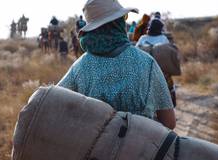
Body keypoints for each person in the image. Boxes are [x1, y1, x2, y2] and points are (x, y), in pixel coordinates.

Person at [58, 0, 175, 130]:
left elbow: (55, 104)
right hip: (139, 148)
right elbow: (169, 123)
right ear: (118, 23)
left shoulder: (79, 68)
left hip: (93, 148)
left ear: (91, 30)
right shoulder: (147, 63)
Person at [136, 19, 177, 107]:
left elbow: (136, 52)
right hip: (161, 71)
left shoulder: (143, 38)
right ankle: (171, 105)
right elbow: (168, 53)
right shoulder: (163, 38)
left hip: (145, 71)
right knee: (169, 86)